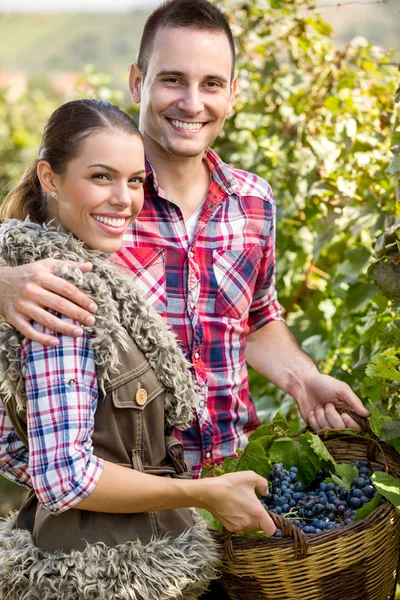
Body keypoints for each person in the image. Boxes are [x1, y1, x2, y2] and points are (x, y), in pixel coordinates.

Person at [0, 0, 369, 480]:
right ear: (138, 83)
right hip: (129, 505)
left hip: (237, 482)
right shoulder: (98, 205)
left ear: (232, 94)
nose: (193, 103)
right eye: (173, 79)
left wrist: (303, 379)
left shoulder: (253, 201)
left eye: (211, 84)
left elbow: (255, 317)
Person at [0, 98, 277, 600]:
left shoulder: (74, 280)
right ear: (50, 177)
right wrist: (199, 493)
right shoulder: (64, 297)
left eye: (134, 180)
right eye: (102, 177)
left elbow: (15, 446)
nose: (125, 199)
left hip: (97, 561)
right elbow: (66, 479)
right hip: (104, 577)